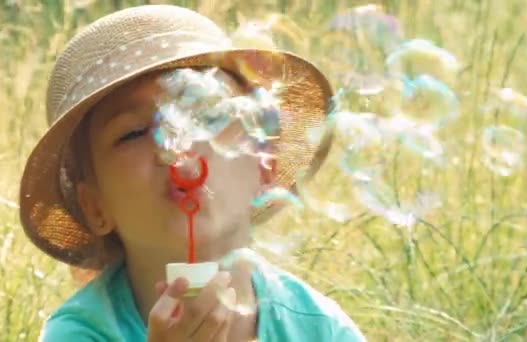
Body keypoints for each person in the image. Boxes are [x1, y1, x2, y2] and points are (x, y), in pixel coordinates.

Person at [18, 4, 366, 342]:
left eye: (204, 116)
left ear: (264, 165)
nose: (174, 144)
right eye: (133, 133)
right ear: (95, 207)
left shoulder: (319, 328)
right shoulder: (80, 334)